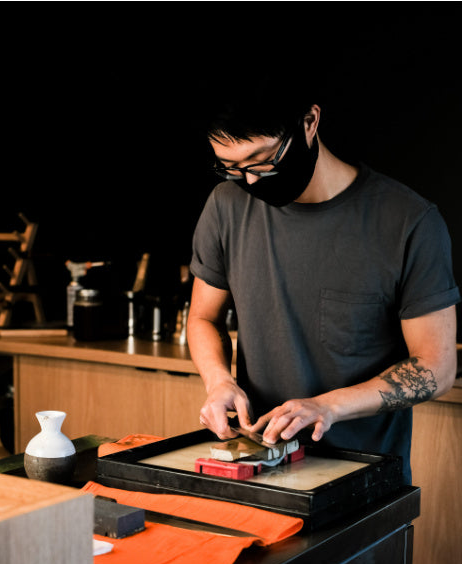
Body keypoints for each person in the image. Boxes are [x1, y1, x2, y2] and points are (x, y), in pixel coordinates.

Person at [187, 80, 460, 484]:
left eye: (261, 161)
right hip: (257, 468)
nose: (249, 182)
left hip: (363, 479)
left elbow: (436, 367)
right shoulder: (226, 205)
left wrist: (328, 407)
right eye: (231, 167)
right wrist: (218, 381)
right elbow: (203, 318)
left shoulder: (408, 222)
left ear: (310, 121)